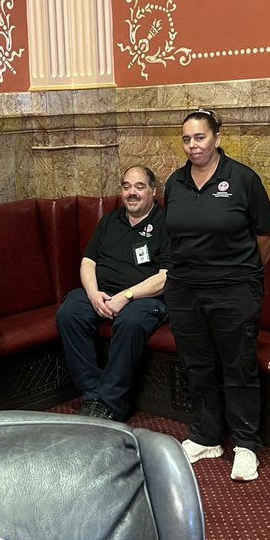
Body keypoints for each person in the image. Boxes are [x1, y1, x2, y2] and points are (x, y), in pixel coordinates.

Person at [164, 109, 270, 482]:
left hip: (233, 290)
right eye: (186, 139)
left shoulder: (242, 179)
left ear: (216, 138)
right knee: (197, 366)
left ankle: (245, 445)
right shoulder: (175, 183)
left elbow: (266, 235)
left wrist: (246, 274)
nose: (193, 145)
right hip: (184, 290)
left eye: (200, 137)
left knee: (238, 367)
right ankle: (205, 436)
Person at [56, 165, 169, 421]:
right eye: (126, 186)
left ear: (153, 191)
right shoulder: (110, 220)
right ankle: (93, 394)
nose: (132, 192)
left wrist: (126, 296)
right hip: (103, 292)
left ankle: (111, 403)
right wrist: (94, 294)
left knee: (130, 322)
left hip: (145, 298)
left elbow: (165, 277)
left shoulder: (165, 223)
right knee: (70, 312)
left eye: (139, 187)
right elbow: (88, 262)